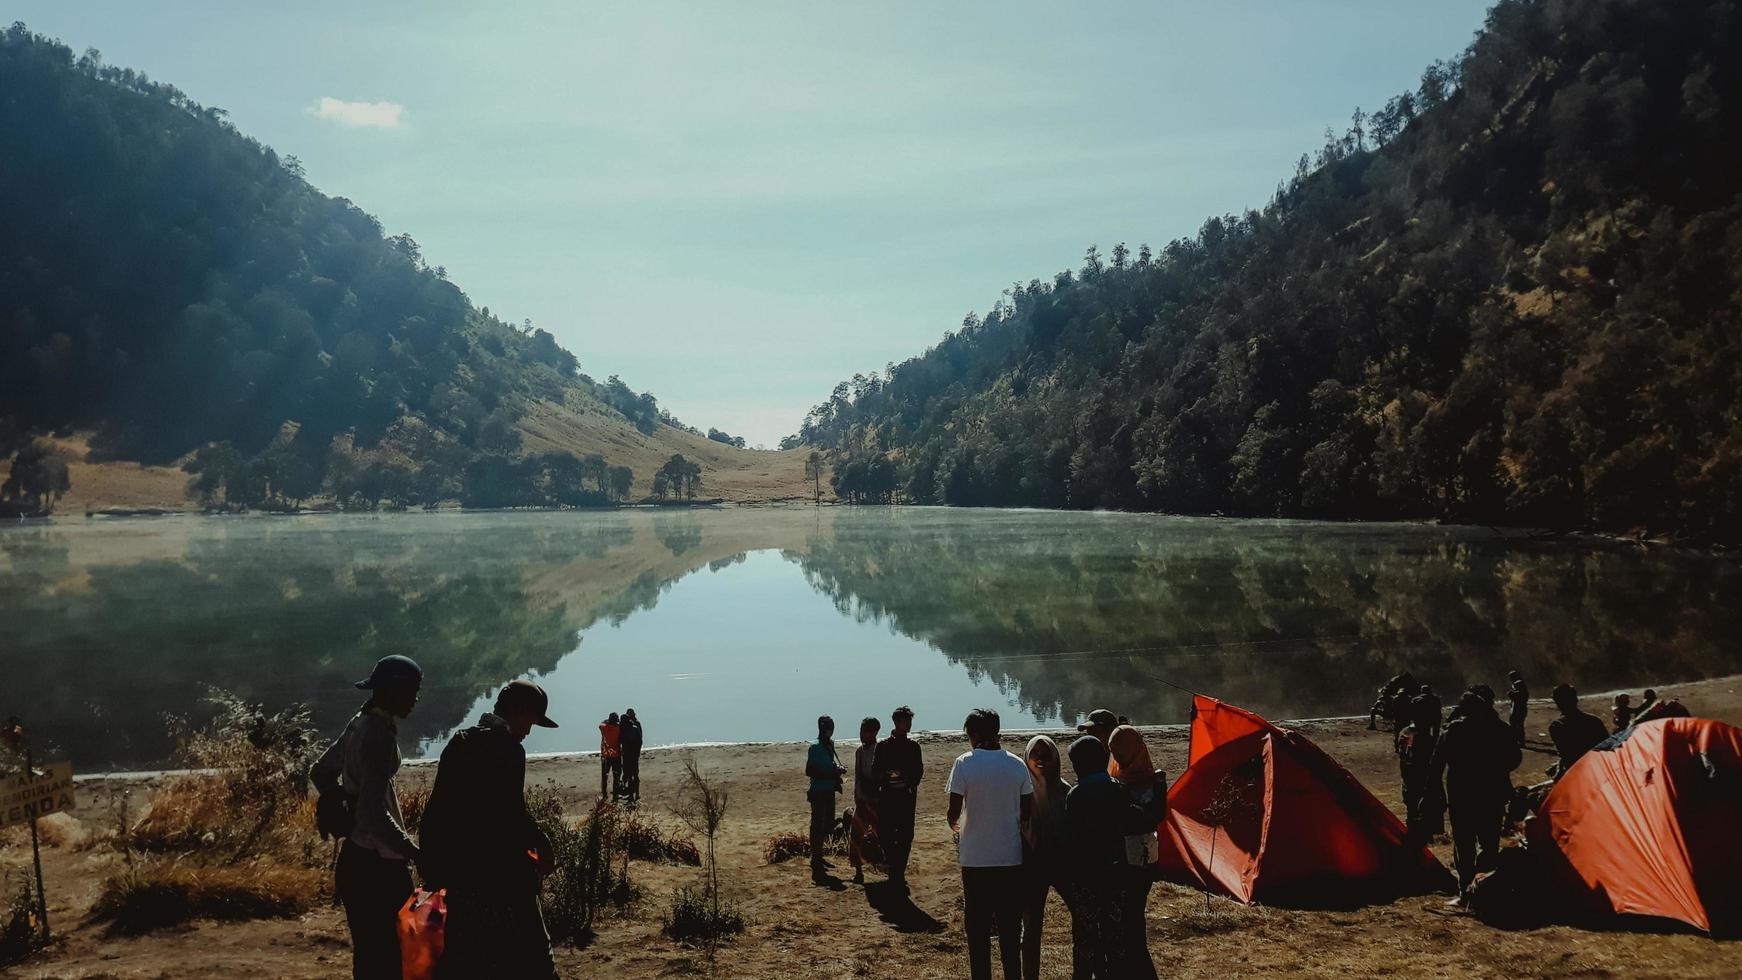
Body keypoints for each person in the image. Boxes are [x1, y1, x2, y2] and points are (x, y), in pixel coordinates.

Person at [420, 680, 561, 980]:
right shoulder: (509, 751)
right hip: (500, 874)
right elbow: (512, 815)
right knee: (537, 957)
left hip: (456, 874)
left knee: (465, 959)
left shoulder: (459, 741)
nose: (529, 732)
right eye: (531, 722)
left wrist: (432, 869)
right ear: (518, 712)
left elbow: (436, 811)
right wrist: (543, 845)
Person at [311, 655, 423, 980]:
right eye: (412, 691)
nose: (415, 699)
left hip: (355, 862)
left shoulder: (360, 721)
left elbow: (320, 772)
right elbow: (375, 815)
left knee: (371, 960)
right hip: (378, 869)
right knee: (392, 962)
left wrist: (344, 805)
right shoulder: (379, 736)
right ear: (393, 690)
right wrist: (413, 852)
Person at [947, 708, 1033, 980]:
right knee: (1009, 929)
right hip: (1010, 858)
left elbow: (953, 812)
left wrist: (959, 828)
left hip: (975, 859)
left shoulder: (964, 763)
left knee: (978, 930)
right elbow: (1027, 811)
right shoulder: (1017, 764)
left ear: (973, 734)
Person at [1062, 735, 1153, 979]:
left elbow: (1070, 838)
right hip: (1115, 875)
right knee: (1115, 936)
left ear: (1080, 765)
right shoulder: (1119, 790)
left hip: (1085, 878)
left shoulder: (1076, 795)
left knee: (1085, 938)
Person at [1431, 690, 1521, 903]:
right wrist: (1496, 770)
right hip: (1491, 795)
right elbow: (1515, 758)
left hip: (1461, 796)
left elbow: (1436, 766)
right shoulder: (1499, 729)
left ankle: (1466, 892)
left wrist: (1437, 795)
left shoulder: (1453, 731)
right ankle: (1485, 890)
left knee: (1464, 845)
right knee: (1489, 844)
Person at [1105, 726, 1164, 980]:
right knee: (1132, 918)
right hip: (1146, 858)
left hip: (1129, 861)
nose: (1117, 757)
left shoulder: (1119, 785)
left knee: (1129, 922)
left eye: (1119, 751)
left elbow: (1149, 818)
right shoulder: (1155, 779)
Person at [1021, 735, 1072, 980]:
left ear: (1055, 758)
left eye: (1046, 755)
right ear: (1026, 757)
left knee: (1082, 917)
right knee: (1031, 928)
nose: (1040, 759)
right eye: (1035, 754)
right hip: (1031, 867)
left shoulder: (1065, 790)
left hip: (1063, 864)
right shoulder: (1020, 793)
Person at [873, 705, 924, 891]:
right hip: (887, 798)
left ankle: (898, 872)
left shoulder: (913, 747)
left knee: (905, 836)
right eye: (907, 721)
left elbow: (918, 772)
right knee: (886, 834)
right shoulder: (883, 746)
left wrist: (908, 780)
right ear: (897, 722)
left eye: (910, 721)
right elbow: (875, 771)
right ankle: (894, 869)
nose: (910, 724)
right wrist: (885, 776)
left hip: (906, 798)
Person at [806, 715, 847, 883]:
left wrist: (836, 771)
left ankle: (819, 855)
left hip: (829, 789)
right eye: (827, 727)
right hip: (818, 791)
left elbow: (828, 764)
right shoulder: (814, 747)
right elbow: (810, 771)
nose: (829, 730)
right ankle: (816, 857)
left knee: (827, 823)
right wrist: (832, 773)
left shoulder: (830, 744)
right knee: (817, 824)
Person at [1547, 684, 1609, 779]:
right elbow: (1608, 748)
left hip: (1578, 775)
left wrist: (1558, 773)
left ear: (1558, 703)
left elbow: (1567, 757)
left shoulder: (1557, 726)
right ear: (1576, 700)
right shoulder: (1594, 721)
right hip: (1600, 770)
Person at [850, 716, 882, 885]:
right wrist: (857, 796)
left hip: (876, 800)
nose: (862, 735)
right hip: (862, 798)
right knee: (855, 834)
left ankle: (883, 865)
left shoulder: (880, 749)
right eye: (861, 731)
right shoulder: (860, 752)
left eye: (865, 732)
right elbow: (858, 776)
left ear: (874, 733)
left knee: (880, 834)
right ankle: (858, 869)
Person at [620, 708, 644, 803]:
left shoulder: (626, 729)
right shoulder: (635, 726)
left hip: (628, 755)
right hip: (634, 754)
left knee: (629, 775)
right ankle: (635, 794)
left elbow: (621, 741)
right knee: (634, 774)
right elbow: (640, 740)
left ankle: (631, 795)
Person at [599, 711, 623, 800]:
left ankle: (604, 794)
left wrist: (607, 721)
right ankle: (615, 795)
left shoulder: (604, 728)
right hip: (616, 755)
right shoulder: (618, 729)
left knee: (605, 776)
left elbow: (600, 724)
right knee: (616, 776)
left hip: (606, 755)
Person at [1507, 671, 1529, 747]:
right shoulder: (1520, 683)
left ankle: (1519, 741)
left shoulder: (1518, 683)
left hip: (1518, 708)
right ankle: (1519, 740)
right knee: (1518, 724)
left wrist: (1511, 694)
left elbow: (1520, 695)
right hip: (1520, 708)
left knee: (1516, 724)